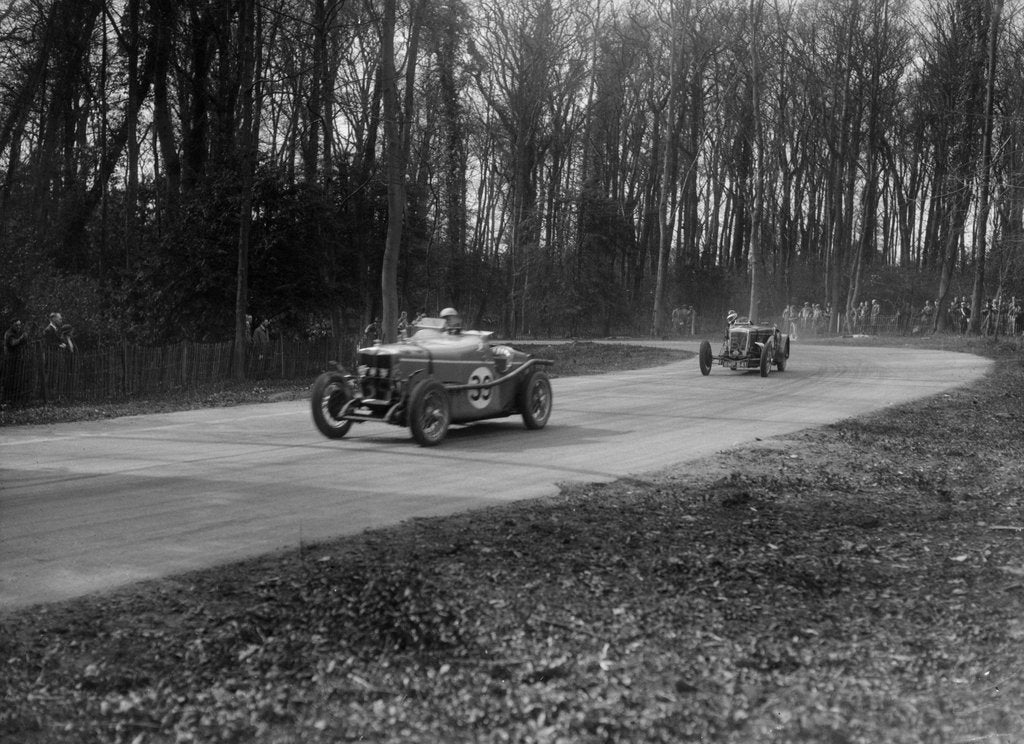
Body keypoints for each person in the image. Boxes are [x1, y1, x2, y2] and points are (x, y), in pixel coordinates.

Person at [3, 319, 29, 403]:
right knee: (10, 379)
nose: (18, 327)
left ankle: (14, 400)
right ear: (12, 325)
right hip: (10, 359)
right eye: (16, 325)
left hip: (17, 359)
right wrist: (21, 338)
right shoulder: (9, 333)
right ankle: (7, 399)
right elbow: (13, 343)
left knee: (17, 379)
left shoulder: (16, 333)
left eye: (19, 325)